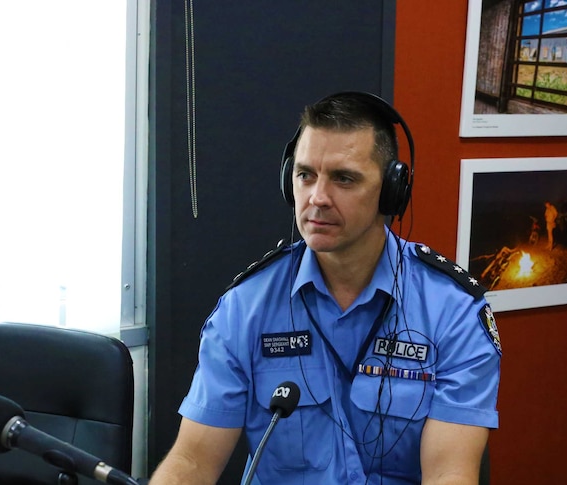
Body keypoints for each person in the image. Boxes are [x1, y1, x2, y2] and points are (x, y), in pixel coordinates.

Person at [149, 92, 502, 485]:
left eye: (344, 178)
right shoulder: (245, 308)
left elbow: (449, 474)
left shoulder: (452, 312)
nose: (317, 198)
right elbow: (194, 461)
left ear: (392, 190)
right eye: (305, 175)